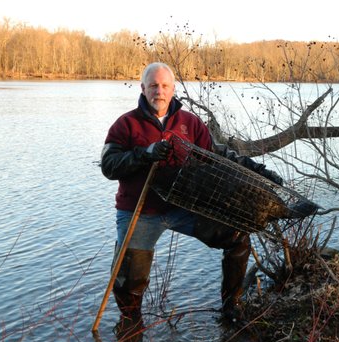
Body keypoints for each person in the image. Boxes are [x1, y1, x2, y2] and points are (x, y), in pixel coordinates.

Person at [101, 62, 283, 323]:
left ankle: (231, 307)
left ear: (173, 89)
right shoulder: (126, 125)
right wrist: (144, 155)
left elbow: (219, 155)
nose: (159, 91)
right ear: (143, 88)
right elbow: (109, 166)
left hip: (184, 206)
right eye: (153, 86)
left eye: (165, 86)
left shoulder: (189, 123)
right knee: (129, 281)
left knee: (237, 236)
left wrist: (260, 171)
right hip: (140, 211)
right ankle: (131, 328)